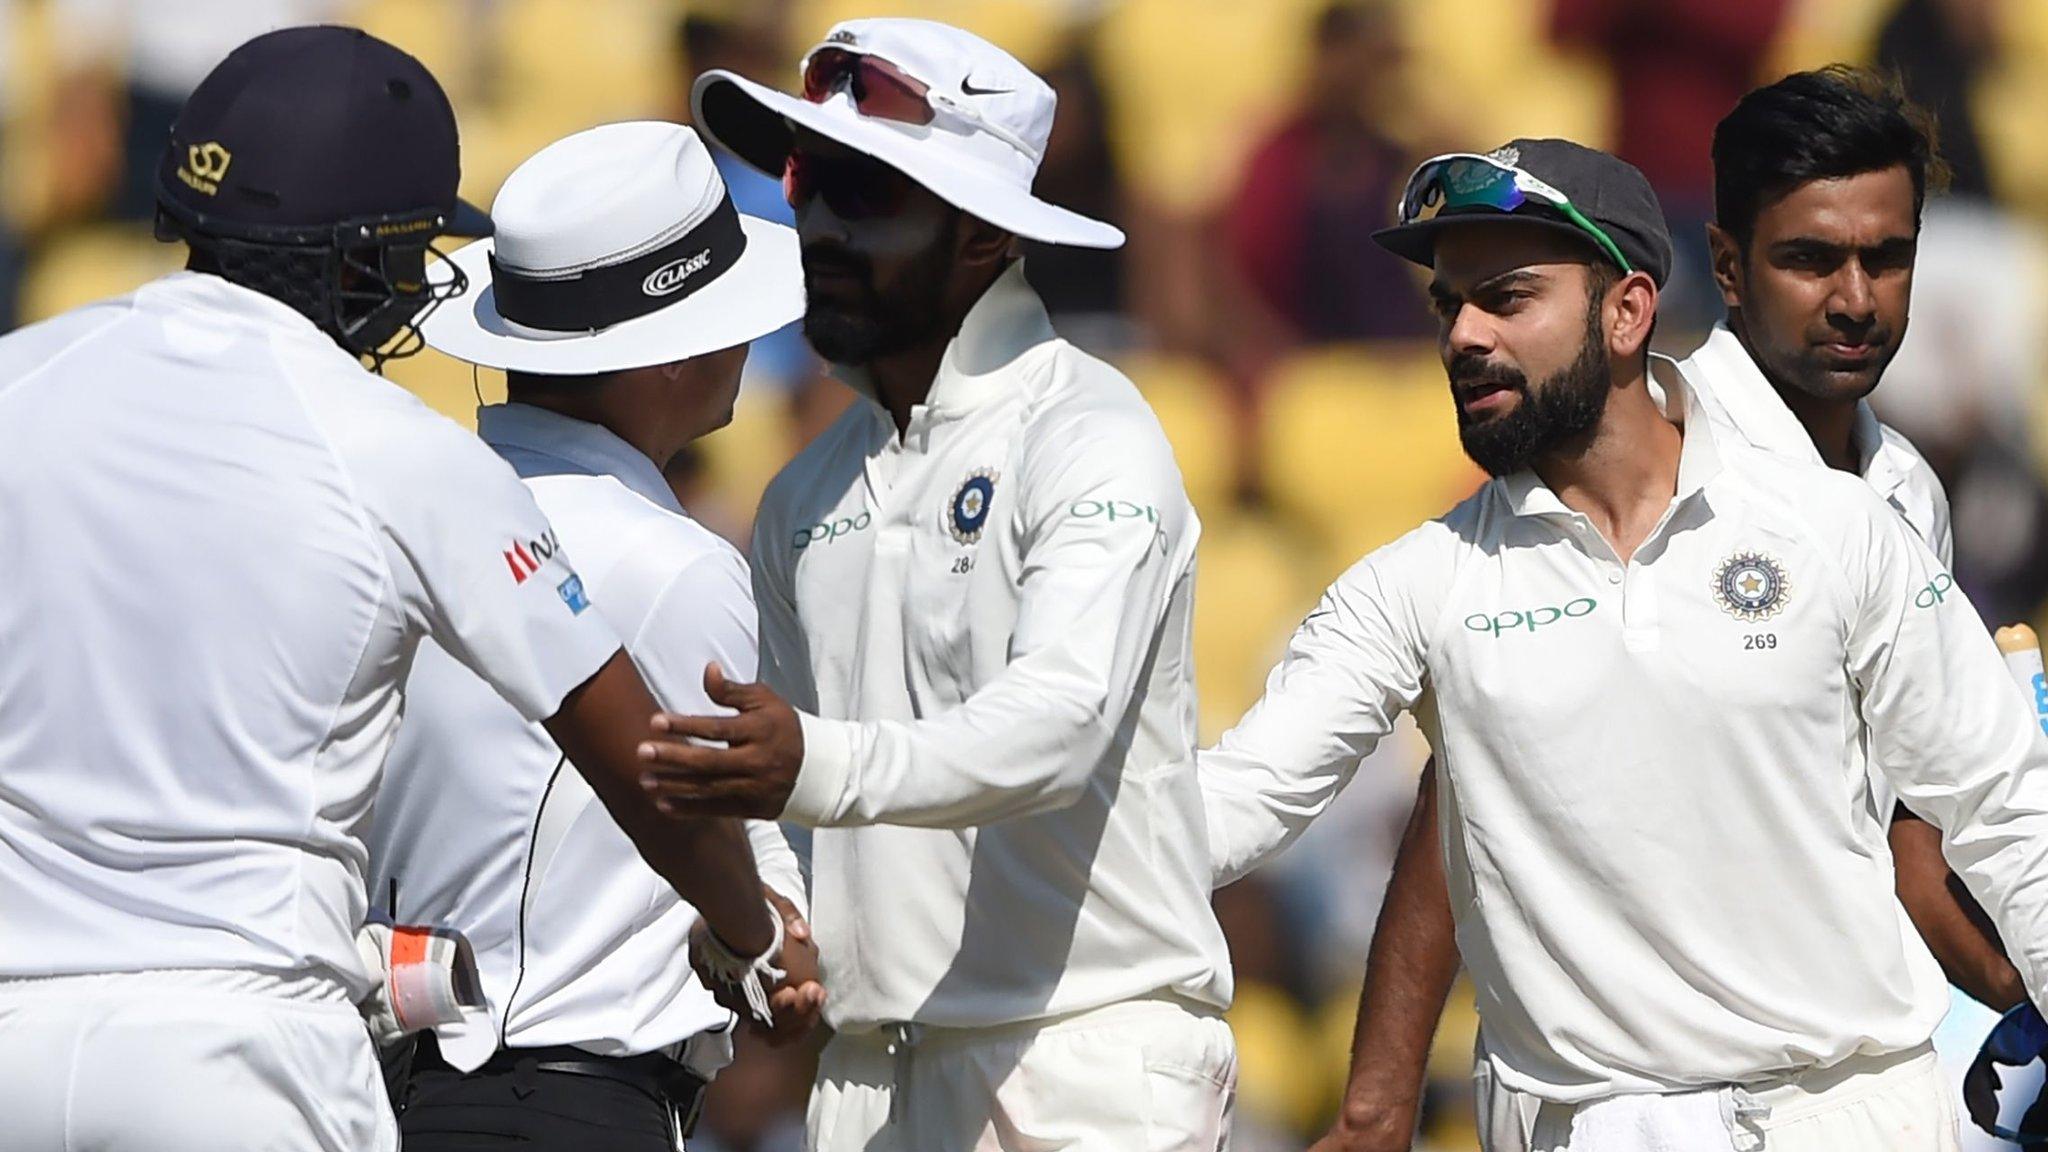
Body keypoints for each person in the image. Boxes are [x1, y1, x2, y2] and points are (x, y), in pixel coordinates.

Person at [1228, 69, 2033, 1152]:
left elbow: (1923, 811)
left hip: (1843, 1073)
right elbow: (1473, 777)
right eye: (1808, 259)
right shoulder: (1578, 478)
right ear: (1726, 272)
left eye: (1884, 260)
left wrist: (2017, 987)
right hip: (1619, 1093)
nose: (1853, 299)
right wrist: (1378, 1102)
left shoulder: (1891, 496)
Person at [0, 28, 776, 1152]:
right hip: (240, 1053)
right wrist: (752, 932)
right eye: (411, 252)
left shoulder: (23, 380)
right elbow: (646, 768)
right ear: (359, 256)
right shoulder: (405, 451)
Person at [643, 18, 1239, 1150]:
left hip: (1086, 1061)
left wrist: (812, 766)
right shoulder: (802, 492)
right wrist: (766, 922)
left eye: (864, 194)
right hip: (869, 1086)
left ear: (978, 234)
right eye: (806, 182)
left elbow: (1056, 729)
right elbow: (785, 795)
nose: (814, 224)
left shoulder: (1091, 431)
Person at [366, 121, 821, 1152]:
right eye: (722, 318)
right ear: (662, 359)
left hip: (397, 1089)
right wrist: (768, 943)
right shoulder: (671, 563)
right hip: (565, 1100)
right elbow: (709, 831)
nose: (745, 343)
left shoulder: (406, 509)